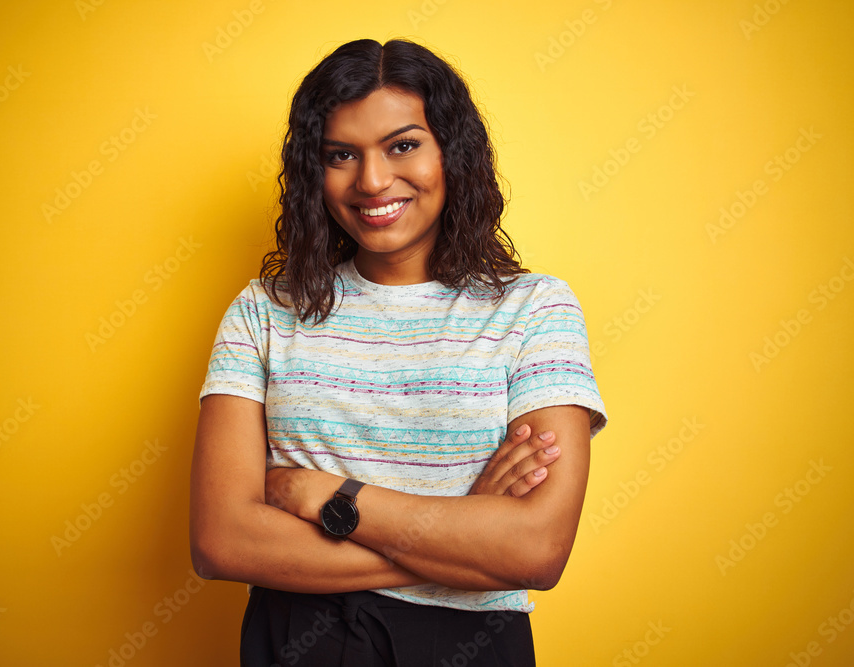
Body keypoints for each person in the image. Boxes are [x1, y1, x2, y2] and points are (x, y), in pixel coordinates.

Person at [190, 38, 609, 666]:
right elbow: (221, 542)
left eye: (403, 145)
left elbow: (536, 551)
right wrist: (465, 536)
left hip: (471, 647)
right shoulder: (263, 310)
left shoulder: (535, 308)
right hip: (300, 642)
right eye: (341, 155)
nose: (373, 180)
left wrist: (327, 496)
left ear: (452, 153)